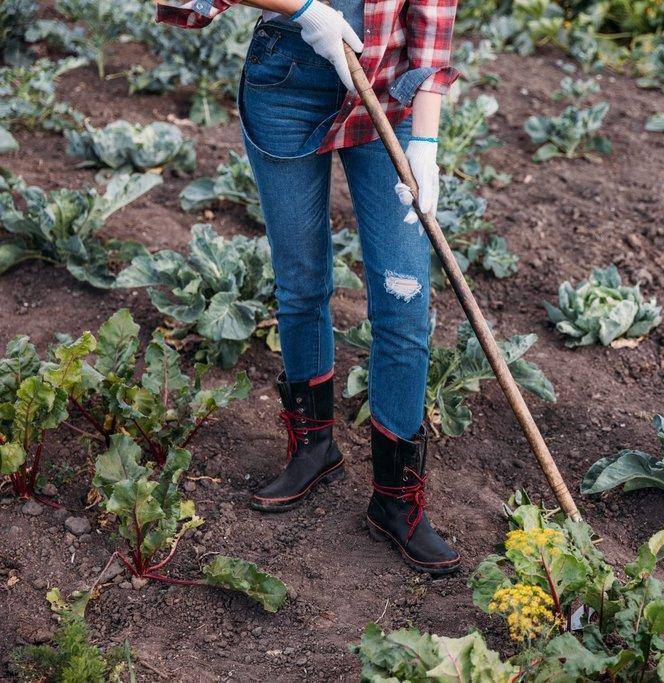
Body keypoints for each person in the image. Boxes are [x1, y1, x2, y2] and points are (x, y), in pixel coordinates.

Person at [157, 0, 461, 575]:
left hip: (388, 95)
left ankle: (397, 500)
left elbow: (431, 41)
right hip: (286, 84)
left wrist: (425, 148)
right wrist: (303, 9)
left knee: (403, 301)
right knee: (301, 284)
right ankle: (313, 447)